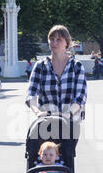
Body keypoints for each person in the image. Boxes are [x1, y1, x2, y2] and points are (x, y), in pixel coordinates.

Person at [25, 25, 87, 163]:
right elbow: (31, 94)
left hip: (69, 122)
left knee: (65, 157)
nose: (54, 43)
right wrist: (37, 112)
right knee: (42, 158)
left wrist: (68, 113)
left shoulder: (76, 66)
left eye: (59, 39)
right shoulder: (40, 66)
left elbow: (80, 97)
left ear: (67, 43)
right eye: (51, 39)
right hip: (46, 121)